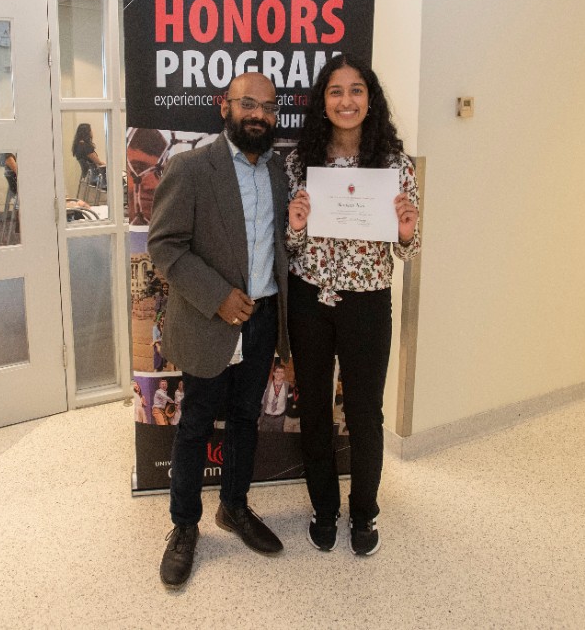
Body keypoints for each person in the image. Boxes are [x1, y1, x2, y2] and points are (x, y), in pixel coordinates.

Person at [148, 72, 290, 589]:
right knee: (195, 427)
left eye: (269, 107)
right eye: (247, 104)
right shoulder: (191, 168)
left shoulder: (278, 174)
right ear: (223, 107)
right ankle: (184, 527)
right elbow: (164, 246)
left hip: (264, 319)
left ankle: (234, 507)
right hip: (211, 320)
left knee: (247, 420)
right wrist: (218, 296)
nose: (259, 114)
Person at [285, 57, 421, 557]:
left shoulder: (395, 166)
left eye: (356, 91)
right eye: (336, 92)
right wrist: (297, 224)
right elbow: (292, 248)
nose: (346, 101)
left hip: (367, 304)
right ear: (323, 102)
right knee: (315, 411)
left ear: (370, 99)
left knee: (365, 414)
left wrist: (406, 232)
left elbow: (408, 249)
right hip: (309, 302)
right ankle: (324, 508)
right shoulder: (301, 163)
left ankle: (364, 512)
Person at [71, 123, 106, 187]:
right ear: (87, 132)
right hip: (95, 177)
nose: (92, 132)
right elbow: (98, 162)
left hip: (86, 176)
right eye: (90, 130)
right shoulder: (86, 147)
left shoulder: (77, 145)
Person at [258, 361, 289, 432]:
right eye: (277, 372)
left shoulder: (287, 385)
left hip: (279, 418)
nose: (279, 374)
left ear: (284, 374)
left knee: (277, 439)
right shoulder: (267, 384)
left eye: (282, 372)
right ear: (274, 373)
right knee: (263, 439)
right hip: (266, 417)